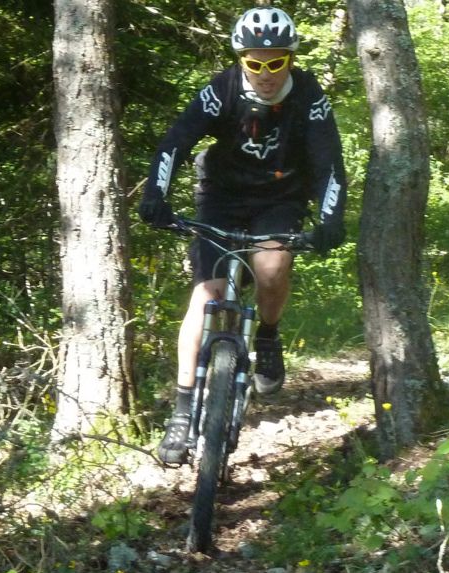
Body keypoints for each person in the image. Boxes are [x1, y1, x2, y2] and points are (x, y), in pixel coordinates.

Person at [138, 7, 348, 464]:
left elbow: (330, 161)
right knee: (206, 296)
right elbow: (175, 141)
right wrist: (156, 194)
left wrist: (331, 218)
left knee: (272, 266)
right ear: (241, 60)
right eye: (256, 62)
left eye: (277, 62)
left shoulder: (309, 95)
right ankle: (181, 409)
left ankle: (268, 337)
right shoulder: (222, 90)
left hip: (280, 198)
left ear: (290, 59)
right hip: (221, 196)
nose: (267, 73)